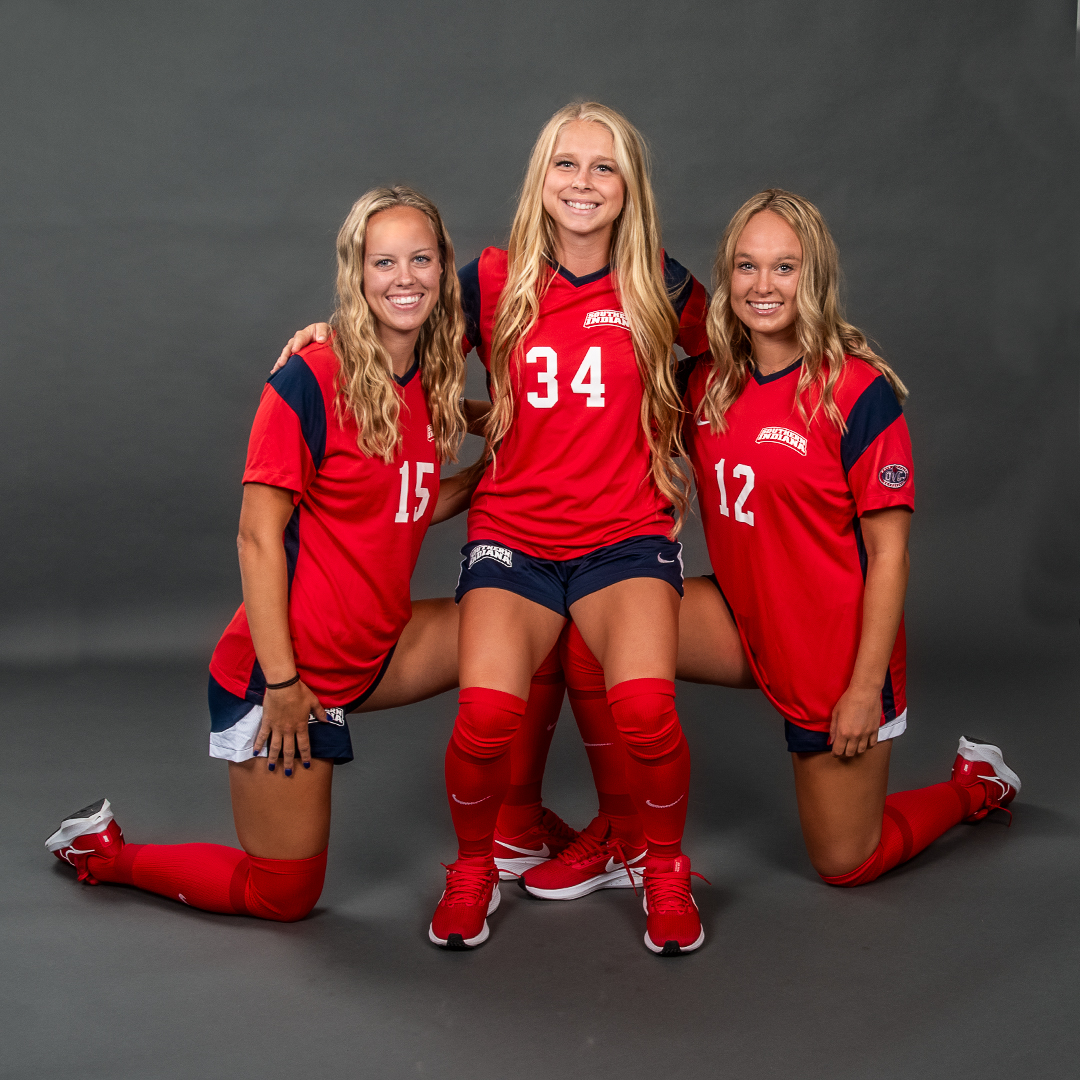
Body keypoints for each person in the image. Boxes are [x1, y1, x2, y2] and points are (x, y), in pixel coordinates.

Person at [45, 186, 575, 922]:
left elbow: (413, 500)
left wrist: (527, 455)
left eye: (421, 259)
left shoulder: (428, 376)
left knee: (543, 622)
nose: (405, 277)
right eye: (383, 261)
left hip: (382, 646)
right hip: (286, 678)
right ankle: (101, 853)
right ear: (355, 274)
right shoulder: (310, 376)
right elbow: (256, 537)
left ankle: (514, 829)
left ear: (443, 265)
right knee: (283, 896)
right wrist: (285, 682)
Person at [524, 188, 1019, 899]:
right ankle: (625, 835)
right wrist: (357, 344)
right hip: (739, 617)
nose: (763, 286)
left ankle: (975, 787)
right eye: (747, 268)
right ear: (727, 278)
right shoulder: (707, 382)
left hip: (831, 651)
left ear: (812, 277)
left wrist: (859, 690)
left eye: (784, 268)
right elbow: (572, 404)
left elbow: (890, 557)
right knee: (588, 627)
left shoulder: (855, 390)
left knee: (846, 860)